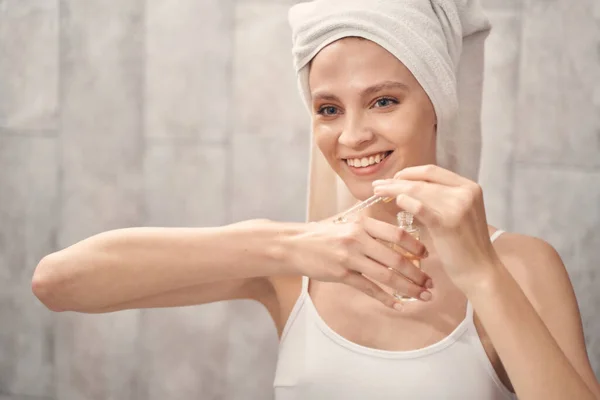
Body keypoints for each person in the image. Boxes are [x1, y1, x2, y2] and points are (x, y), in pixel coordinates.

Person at [32, 0, 600, 399]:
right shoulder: (296, 265)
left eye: (382, 101)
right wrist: (288, 246)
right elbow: (58, 283)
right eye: (328, 109)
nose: (351, 136)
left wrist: (481, 273)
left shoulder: (522, 266)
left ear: (437, 105)